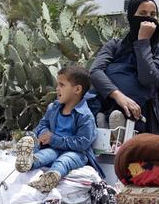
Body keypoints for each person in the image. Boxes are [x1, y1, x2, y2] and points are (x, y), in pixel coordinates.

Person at [89, 0, 159, 136]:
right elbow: (95, 72)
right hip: (107, 107)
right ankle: (111, 125)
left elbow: (148, 78)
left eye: (153, 15)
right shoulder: (115, 46)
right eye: (142, 14)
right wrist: (119, 96)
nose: (148, 18)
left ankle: (121, 127)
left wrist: (143, 42)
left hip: (146, 120)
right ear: (131, 17)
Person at [14, 65, 101, 193]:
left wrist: (54, 139)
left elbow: (82, 143)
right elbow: (43, 124)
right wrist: (43, 133)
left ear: (77, 89)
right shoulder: (53, 108)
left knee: (64, 161)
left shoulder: (85, 116)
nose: (57, 88)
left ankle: (51, 177)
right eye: (57, 84)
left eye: (62, 85)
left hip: (77, 153)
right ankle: (28, 161)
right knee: (45, 155)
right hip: (53, 148)